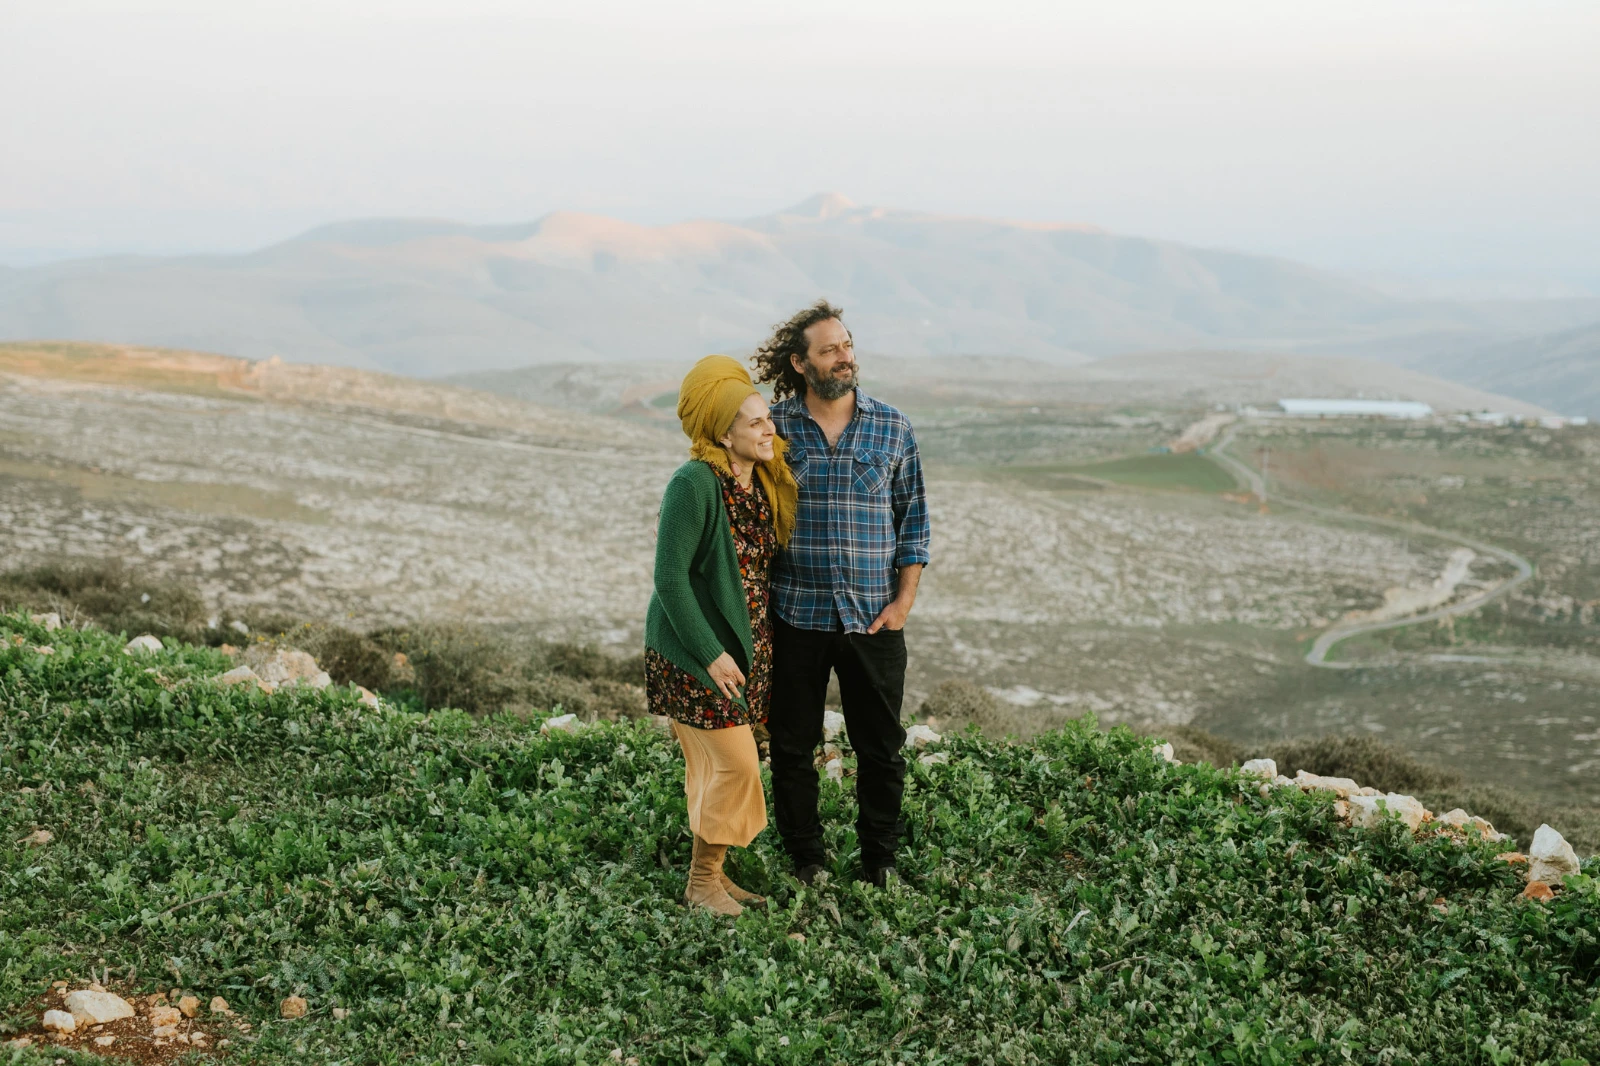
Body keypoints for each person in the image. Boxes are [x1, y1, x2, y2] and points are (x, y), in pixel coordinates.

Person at [752, 301, 931, 888]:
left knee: (881, 749)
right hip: (795, 614)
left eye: (847, 344)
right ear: (802, 363)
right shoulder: (773, 429)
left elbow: (914, 524)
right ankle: (807, 860)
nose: (844, 356)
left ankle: (880, 861)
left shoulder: (893, 426)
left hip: (873, 618)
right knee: (793, 747)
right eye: (829, 349)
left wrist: (902, 605)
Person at [644, 354, 798, 916]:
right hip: (693, 652)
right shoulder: (693, 484)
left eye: (767, 418)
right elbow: (669, 578)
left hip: (741, 648)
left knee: (718, 764)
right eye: (754, 422)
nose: (768, 429)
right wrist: (710, 654)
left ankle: (714, 874)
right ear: (723, 432)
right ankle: (702, 882)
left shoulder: (760, 478)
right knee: (735, 764)